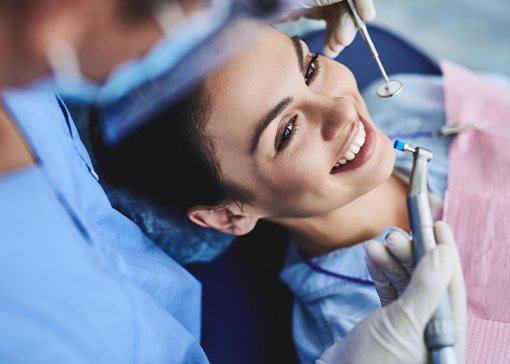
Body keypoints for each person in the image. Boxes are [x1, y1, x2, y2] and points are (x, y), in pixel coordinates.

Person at [0, 0, 465, 362]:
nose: (342, 110)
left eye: (308, 67)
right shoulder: (352, 326)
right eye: (285, 132)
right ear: (226, 214)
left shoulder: (425, 105)